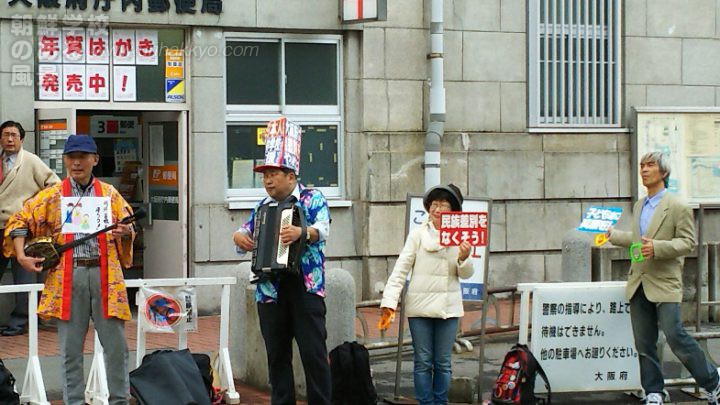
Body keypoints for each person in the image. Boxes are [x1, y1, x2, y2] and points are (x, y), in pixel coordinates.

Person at [3, 134, 135, 405]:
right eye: (71, 157)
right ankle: (73, 401)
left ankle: (120, 400)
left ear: (95, 160)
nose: (77, 163)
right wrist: (20, 255)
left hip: (105, 275)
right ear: (64, 160)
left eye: (83, 157)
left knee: (116, 347)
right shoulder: (52, 195)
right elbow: (20, 219)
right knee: (70, 349)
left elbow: (129, 225)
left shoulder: (109, 194)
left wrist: (125, 231)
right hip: (68, 275)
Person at [608, 152, 720, 405]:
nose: (644, 170)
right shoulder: (640, 205)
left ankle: (712, 382)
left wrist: (658, 247)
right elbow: (638, 239)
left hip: (666, 282)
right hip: (639, 281)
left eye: (650, 165)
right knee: (644, 343)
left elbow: (687, 242)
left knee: (675, 335)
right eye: (642, 165)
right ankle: (654, 392)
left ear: (664, 173)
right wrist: (613, 235)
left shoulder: (677, 206)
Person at [233, 118, 332, 404]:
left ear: (291, 176)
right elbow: (245, 232)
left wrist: (303, 232)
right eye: (265, 175)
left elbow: (323, 229)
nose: (267, 180)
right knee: (276, 356)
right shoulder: (262, 207)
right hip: (270, 290)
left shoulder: (312, 199)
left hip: (305, 287)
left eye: (274, 173)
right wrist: (238, 237)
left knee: (313, 353)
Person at [379, 183, 473, 405]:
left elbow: (466, 274)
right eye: (435, 204)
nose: (438, 209)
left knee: (443, 363)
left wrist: (463, 257)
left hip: (448, 309)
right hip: (419, 309)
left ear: (454, 211)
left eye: (444, 205)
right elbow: (400, 269)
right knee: (422, 362)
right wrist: (389, 302)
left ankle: (440, 402)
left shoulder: (461, 237)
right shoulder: (418, 235)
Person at [0, 120, 60, 336]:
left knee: (23, 276)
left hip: (21, 228)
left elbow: (54, 185)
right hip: (0, 225)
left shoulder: (31, 161)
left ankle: (19, 323)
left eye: (14, 135)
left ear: (22, 139)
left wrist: (33, 207)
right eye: (5, 134)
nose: (9, 139)